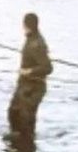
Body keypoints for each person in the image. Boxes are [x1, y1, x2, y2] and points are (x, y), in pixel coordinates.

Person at [8, 12, 53, 140]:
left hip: (34, 86)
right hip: (24, 84)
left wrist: (29, 71)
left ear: (25, 25)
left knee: (25, 118)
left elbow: (48, 68)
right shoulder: (30, 38)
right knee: (13, 112)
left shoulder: (36, 44)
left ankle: (26, 144)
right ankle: (17, 141)